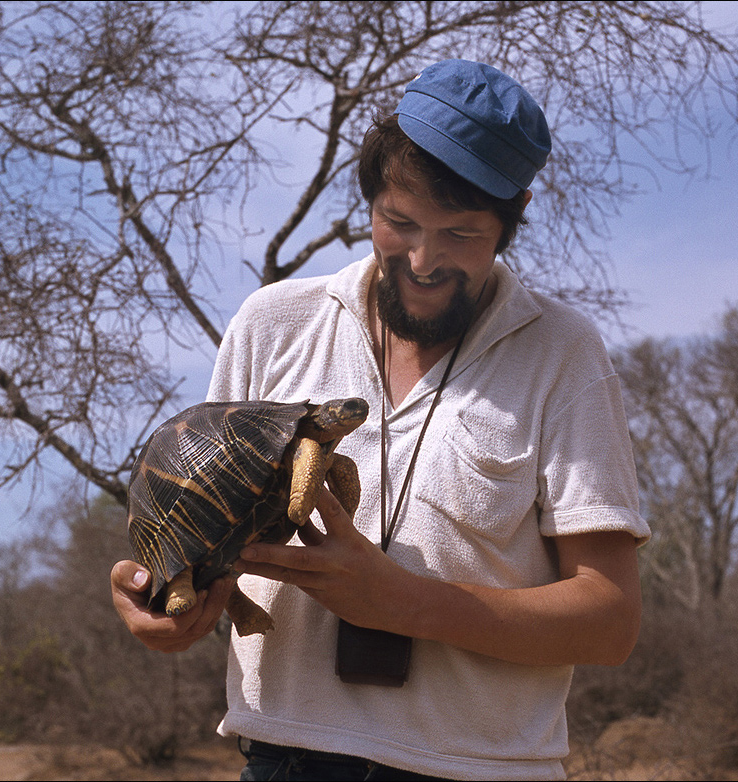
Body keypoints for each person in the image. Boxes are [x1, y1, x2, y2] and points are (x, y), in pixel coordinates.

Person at [111, 59, 650, 781]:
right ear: (369, 203)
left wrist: (409, 604)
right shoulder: (273, 324)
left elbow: (610, 622)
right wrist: (171, 613)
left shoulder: (564, 354)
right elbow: (210, 547)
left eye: (461, 234)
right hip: (280, 759)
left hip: (483, 770)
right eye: (400, 223)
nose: (424, 261)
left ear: (513, 215)